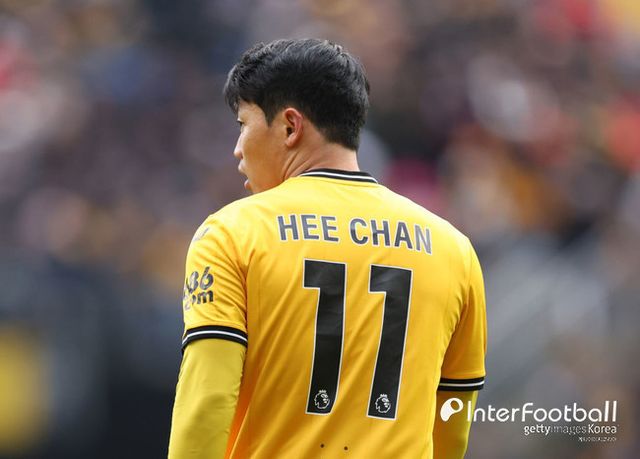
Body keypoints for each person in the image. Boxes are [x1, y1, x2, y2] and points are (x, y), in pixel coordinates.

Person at [168, 38, 487, 459]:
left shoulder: (232, 234)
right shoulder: (454, 250)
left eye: (243, 124)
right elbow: (453, 418)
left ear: (290, 126)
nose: (238, 149)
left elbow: (207, 401)